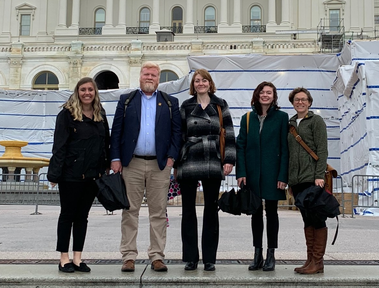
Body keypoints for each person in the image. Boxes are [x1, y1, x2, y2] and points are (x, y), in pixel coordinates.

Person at [110, 62, 182, 273]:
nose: (149, 77)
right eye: (146, 74)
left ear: (159, 79)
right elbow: (117, 131)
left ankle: (157, 256)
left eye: (154, 74)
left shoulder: (170, 103)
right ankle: (129, 256)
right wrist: (115, 158)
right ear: (140, 76)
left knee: (158, 213)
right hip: (131, 164)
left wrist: (172, 158)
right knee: (130, 211)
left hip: (159, 166)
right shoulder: (127, 101)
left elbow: (177, 134)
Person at [47, 77, 110, 273]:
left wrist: (106, 167)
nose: (87, 93)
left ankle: (77, 258)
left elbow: (105, 143)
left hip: (92, 176)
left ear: (95, 92)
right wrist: (54, 175)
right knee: (67, 215)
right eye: (83, 89)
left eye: (90, 89)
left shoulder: (100, 114)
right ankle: (63, 258)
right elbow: (59, 146)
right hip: (70, 175)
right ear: (77, 91)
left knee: (82, 217)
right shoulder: (66, 115)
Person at [175, 69, 235, 272]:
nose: (200, 83)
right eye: (197, 80)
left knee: (211, 210)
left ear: (210, 83)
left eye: (204, 80)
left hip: (212, 159)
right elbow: (179, 134)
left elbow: (229, 134)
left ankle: (210, 258)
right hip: (190, 159)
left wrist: (229, 160)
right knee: (188, 211)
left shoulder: (220, 104)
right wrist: (176, 161)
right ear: (193, 84)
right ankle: (190, 258)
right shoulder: (186, 105)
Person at [236, 81, 288, 272]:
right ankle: (257, 254)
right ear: (257, 95)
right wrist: (240, 172)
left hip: (273, 173)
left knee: (272, 213)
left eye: (269, 92)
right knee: (255, 213)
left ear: (274, 96)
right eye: (262, 92)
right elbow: (240, 146)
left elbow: (285, 148)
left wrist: (283, 175)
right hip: (252, 174)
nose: (265, 95)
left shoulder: (282, 118)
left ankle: (271, 253)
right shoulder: (247, 118)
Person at [287, 87, 328, 275]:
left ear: (309, 102)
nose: (300, 102)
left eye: (303, 99)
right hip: (296, 180)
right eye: (297, 100)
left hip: (312, 178)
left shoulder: (316, 121)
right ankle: (310, 259)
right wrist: (289, 181)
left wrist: (320, 175)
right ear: (293, 102)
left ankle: (318, 261)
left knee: (317, 219)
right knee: (306, 219)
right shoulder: (291, 124)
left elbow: (322, 150)